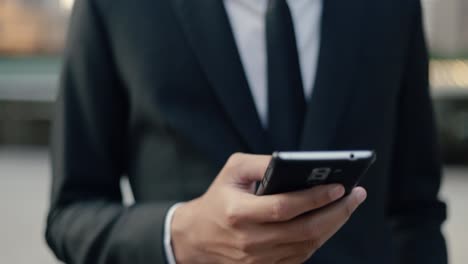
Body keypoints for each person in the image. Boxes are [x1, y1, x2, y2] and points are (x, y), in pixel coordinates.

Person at [45, 0, 447, 263]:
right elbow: (71, 215)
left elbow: (415, 209)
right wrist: (182, 233)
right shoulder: (114, 8)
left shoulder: (392, 8)